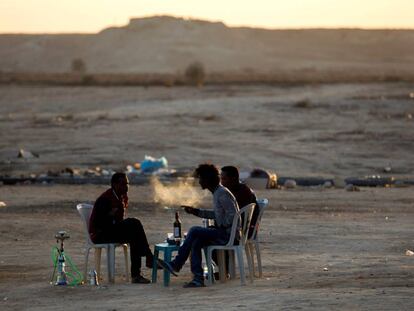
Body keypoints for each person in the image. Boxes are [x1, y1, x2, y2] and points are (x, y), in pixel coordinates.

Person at [158, 164, 239, 288]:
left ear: (207, 180)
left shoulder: (221, 193)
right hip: (224, 232)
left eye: (201, 178)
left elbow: (233, 216)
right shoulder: (218, 192)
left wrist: (221, 224)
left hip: (228, 235)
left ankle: (177, 264)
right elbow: (218, 215)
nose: (199, 181)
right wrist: (196, 212)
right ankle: (197, 279)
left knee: (194, 230)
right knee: (196, 240)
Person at [89, 172, 160, 284]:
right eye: (122, 184)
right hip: (100, 235)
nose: (126, 187)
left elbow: (119, 221)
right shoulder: (105, 199)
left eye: (127, 184)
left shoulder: (122, 197)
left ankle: (137, 275)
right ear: (114, 185)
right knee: (134, 223)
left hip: (111, 231)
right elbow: (100, 224)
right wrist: (110, 216)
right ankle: (149, 257)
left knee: (134, 234)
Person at [220, 166, 259, 238]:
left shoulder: (242, 192)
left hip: (240, 232)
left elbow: (235, 217)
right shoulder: (238, 190)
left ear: (233, 178)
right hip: (239, 230)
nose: (221, 183)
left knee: (197, 233)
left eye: (224, 179)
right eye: (221, 179)